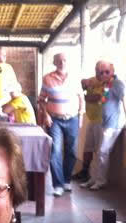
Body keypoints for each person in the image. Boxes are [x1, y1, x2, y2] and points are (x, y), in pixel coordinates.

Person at [38, 52, 85, 196]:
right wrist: (46, 115)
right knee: (55, 151)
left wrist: (81, 116)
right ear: (54, 62)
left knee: (72, 151)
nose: (62, 62)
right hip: (54, 120)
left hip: (72, 118)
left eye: (64, 60)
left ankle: (66, 180)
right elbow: (41, 100)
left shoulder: (75, 78)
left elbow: (81, 98)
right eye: (59, 60)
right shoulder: (47, 78)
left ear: (67, 62)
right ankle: (58, 184)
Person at [80, 60, 126, 191]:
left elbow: (124, 99)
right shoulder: (106, 84)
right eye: (100, 72)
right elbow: (102, 100)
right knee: (98, 151)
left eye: (107, 72)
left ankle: (100, 180)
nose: (103, 74)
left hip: (113, 123)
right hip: (104, 121)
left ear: (112, 71)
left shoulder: (117, 83)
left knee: (103, 152)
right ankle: (93, 178)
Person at [74, 68, 105, 183]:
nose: (99, 73)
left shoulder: (107, 85)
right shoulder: (93, 80)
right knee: (87, 148)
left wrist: (82, 96)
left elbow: (97, 98)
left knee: (99, 150)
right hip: (92, 119)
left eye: (102, 71)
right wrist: (83, 84)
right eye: (97, 70)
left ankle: (97, 178)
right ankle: (85, 172)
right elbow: (81, 83)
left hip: (101, 121)